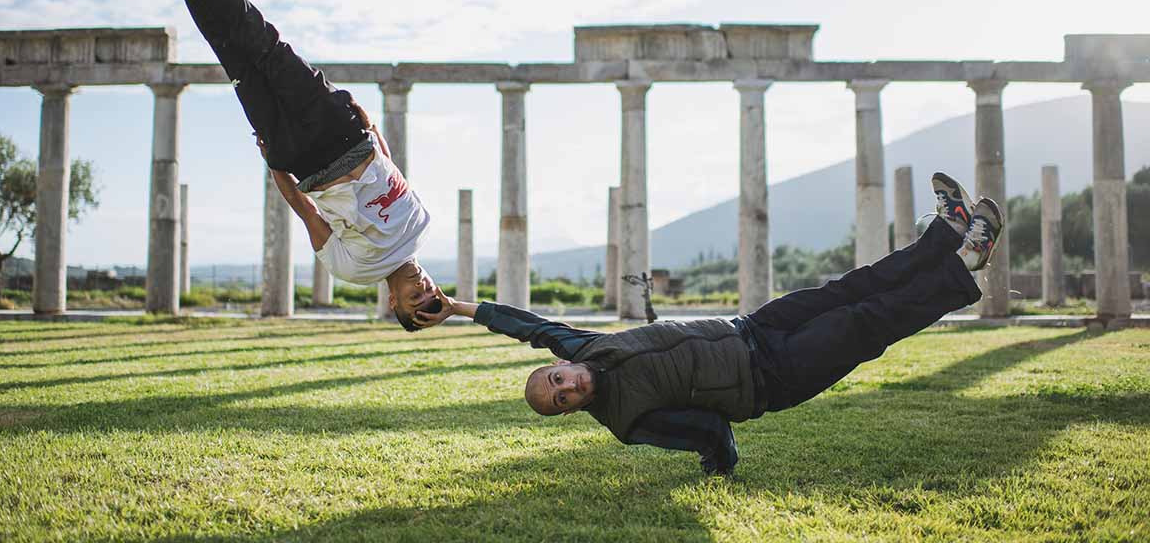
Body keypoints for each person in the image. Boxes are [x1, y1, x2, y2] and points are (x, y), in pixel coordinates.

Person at [417, 173, 1003, 476]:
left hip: (749, 328)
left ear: (559, 364)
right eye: (563, 401)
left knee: (852, 287)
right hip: (771, 378)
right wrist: (719, 467)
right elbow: (708, 433)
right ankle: (964, 266)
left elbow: (527, 324)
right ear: (571, 409)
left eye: (556, 381)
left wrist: (460, 309)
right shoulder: (627, 420)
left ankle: (945, 234)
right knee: (864, 320)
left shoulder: (585, 346)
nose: (568, 389)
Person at [117, 0, 444, 330]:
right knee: (262, 41)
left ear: (393, 299)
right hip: (344, 133)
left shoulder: (355, 272)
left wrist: (275, 163)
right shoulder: (423, 226)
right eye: (430, 289)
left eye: (415, 296)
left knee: (233, 58)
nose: (421, 284)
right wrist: (373, 128)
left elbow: (305, 210)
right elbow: (393, 174)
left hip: (301, 160)